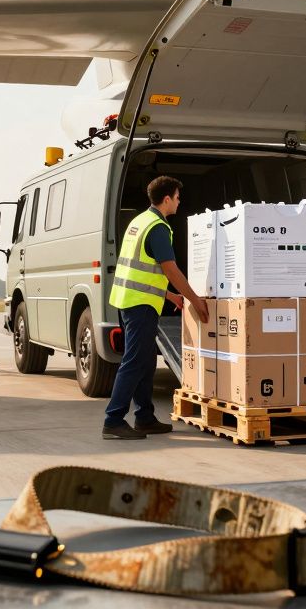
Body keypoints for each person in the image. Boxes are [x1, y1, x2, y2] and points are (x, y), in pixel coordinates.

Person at [105, 176, 209, 440]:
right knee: (134, 362)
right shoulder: (159, 228)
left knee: (146, 361)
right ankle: (113, 420)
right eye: (176, 197)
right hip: (139, 305)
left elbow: (142, 270)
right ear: (166, 199)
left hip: (129, 299)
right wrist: (195, 300)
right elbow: (170, 269)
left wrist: (170, 296)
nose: (179, 201)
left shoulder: (139, 222)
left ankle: (145, 417)